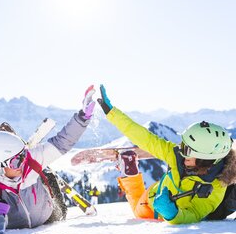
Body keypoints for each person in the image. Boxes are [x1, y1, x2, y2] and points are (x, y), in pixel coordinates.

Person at [97, 84, 236, 224]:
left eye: (187, 150)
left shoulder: (217, 187)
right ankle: (130, 175)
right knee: (137, 205)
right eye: (182, 145)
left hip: (157, 211)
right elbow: (146, 138)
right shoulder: (178, 155)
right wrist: (112, 113)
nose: (181, 151)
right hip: (151, 199)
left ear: (205, 160)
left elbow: (194, 213)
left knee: (137, 209)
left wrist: (173, 214)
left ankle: (130, 175)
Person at [0, 85, 96, 234]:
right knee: (39, 171)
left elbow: (63, 141)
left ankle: (45, 172)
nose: (22, 163)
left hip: (50, 216)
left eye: (22, 155)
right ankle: (44, 171)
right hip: (16, 226)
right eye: (16, 161)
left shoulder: (30, 161)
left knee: (42, 171)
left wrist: (82, 117)